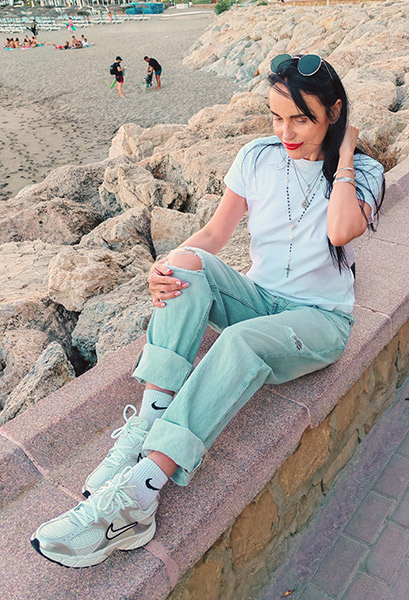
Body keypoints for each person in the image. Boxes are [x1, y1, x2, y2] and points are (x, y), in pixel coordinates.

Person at [30, 53, 385, 568]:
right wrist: (163, 267)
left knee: (237, 342)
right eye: (276, 117)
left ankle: (139, 495)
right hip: (260, 300)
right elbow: (216, 234)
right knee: (183, 262)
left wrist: (345, 153)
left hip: (318, 321)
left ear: (333, 112)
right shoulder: (258, 157)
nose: (285, 132)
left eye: (300, 119)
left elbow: (340, 231)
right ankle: (147, 423)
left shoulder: (365, 172)